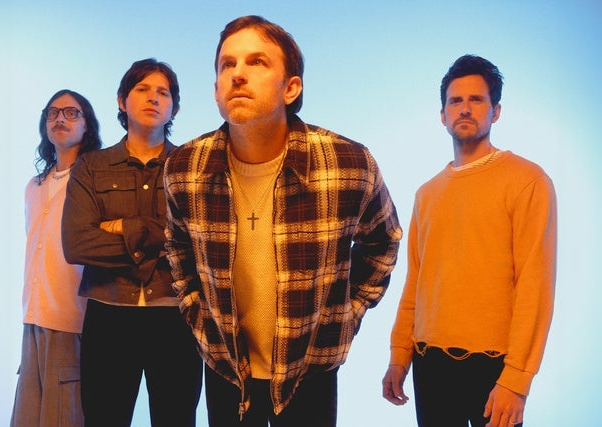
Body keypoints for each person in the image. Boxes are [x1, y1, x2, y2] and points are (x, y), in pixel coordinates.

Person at [164, 15, 402, 427]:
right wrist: (195, 312)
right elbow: (177, 247)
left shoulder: (348, 162)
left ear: (291, 88)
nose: (238, 74)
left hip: (310, 367)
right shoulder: (184, 167)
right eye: (227, 64)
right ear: (216, 90)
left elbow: (384, 241)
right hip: (226, 368)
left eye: (257, 62)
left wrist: (346, 315)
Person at [382, 54, 557, 427]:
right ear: (442, 115)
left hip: (494, 368)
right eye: (455, 101)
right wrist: (399, 355)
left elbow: (535, 285)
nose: (464, 108)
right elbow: (416, 282)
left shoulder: (527, 181)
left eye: (476, 100)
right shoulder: (427, 193)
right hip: (428, 364)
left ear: (496, 112)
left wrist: (516, 380)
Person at [61, 58, 202, 427]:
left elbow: (199, 241)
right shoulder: (91, 167)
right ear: (122, 101)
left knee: (176, 419)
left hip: (176, 315)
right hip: (108, 314)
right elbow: (76, 243)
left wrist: (122, 227)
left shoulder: (191, 167)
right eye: (142, 89)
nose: (153, 98)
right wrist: (162, 238)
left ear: (174, 108)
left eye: (163, 93)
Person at [11, 89, 102, 426]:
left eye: (71, 112)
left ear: (87, 125)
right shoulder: (34, 186)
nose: (60, 118)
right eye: (53, 112)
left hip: (72, 321)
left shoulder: (94, 182)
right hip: (33, 319)